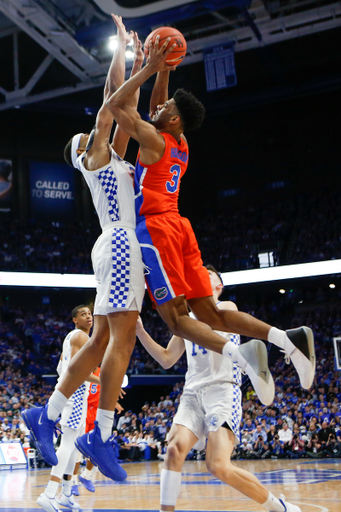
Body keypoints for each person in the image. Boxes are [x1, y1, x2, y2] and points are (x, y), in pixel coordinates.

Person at [106, 30, 315, 404]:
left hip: (155, 230)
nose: (161, 106)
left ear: (173, 119)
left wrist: (147, 67)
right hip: (181, 228)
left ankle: (240, 355)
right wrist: (164, 68)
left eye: (167, 107)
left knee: (175, 319)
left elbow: (116, 108)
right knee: (211, 314)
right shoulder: (181, 143)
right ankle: (287, 338)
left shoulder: (154, 140)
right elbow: (156, 105)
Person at [22, 16, 145, 483]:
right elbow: (112, 99)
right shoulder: (96, 160)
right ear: (84, 151)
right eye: (92, 135)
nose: (101, 134)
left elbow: (125, 105)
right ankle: (102, 433)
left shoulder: (115, 155)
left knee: (102, 341)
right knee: (121, 339)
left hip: (117, 244)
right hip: (116, 242)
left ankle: (46, 414)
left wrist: (132, 55)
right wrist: (124, 52)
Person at [135, 265, 301, 512]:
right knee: (173, 450)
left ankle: (278, 507)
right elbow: (167, 358)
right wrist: (140, 330)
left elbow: (210, 316)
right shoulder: (185, 321)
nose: (199, 275)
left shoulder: (225, 308)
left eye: (207, 275)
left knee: (218, 465)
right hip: (192, 393)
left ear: (218, 287)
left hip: (223, 390)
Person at [36, 305, 100, 512]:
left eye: (90, 313)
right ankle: (49, 493)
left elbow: (62, 368)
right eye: (83, 314)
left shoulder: (71, 338)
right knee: (67, 444)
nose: (88, 316)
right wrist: (106, 380)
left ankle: (65, 494)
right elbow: (76, 371)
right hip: (75, 395)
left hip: (71, 394)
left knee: (74, 447)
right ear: (75, 319)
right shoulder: (81, 336)